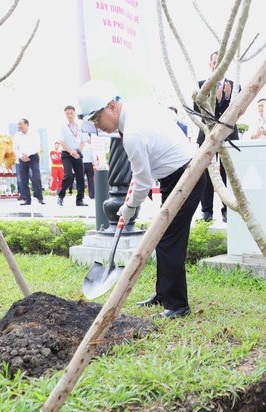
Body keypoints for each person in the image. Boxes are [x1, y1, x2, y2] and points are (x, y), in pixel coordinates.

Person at [78, 79, 205, 319]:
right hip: (177, 175)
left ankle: (177, 305)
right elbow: (143, 172)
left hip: (186, 176)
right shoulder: (135, 110)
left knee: (169, 240)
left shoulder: (133, 132)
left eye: (97, 119)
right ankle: (163, 294)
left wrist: (128, 207)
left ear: (112, 107)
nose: (97, 126)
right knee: (161, 236)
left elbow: (144, 181)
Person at [193, 51, 239, 223]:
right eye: (214, 62)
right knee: (207, 172)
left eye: (220, 62)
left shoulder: (235, 86)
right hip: (207, 134)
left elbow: (237, 112)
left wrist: (226, 99)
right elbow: (197, 112)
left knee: (229, 173)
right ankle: (207, 211)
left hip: (228, 135)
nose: (217, 65)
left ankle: (228, 209)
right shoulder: (201, 85)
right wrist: (214, 100)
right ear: (210, 65)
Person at [57, 105, 89, 207]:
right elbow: (61, 141)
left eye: (71, 113)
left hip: (78, 153)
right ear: (65, 114)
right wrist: (71, 152)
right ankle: (61, 196)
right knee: (69, 176)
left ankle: (80, 200)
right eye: (67, 113)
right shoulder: (63, 127)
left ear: (74, 113)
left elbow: (85, 141)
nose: (70, 115)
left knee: (80, 177)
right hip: (67, 154)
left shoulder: (80, 126)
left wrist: (77, 150)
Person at [13, 118, 45, 205]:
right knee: (23, 179)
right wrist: (21, 156)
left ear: (26, 124)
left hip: (33, 157)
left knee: (36, 177)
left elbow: (37, 146)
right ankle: (27, 199)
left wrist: (27, 154)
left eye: (21, 124)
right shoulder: (16, 135)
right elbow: (15, 148)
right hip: (22, 158)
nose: (19, 126)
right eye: (18, 124)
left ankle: (40, 197)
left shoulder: (34, 134)